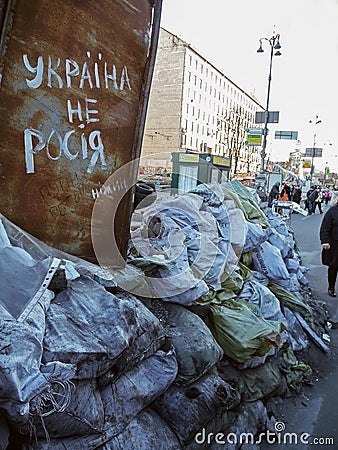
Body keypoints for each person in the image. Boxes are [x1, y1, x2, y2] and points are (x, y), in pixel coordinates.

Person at [320, 191, 338, 297]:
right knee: (333, 267)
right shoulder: (332, 211)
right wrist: (325, 241)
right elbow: (325, 228)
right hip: (335, 244)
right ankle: (331, 287)